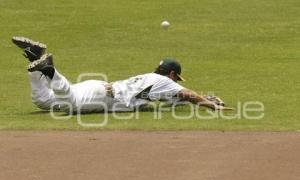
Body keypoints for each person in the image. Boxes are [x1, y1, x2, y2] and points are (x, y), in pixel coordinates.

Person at [12, 36, 232, 113]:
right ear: (172, 74)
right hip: (100, 95)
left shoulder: (153, 82)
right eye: (176, 78)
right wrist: (211, 105)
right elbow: (185, 94)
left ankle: (35, 58)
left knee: (43, 101)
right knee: (70, 103)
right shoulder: (164, 81)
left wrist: (205, 98)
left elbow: (177, 100)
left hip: (99, 89)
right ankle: (50, 69)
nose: (175, 82)